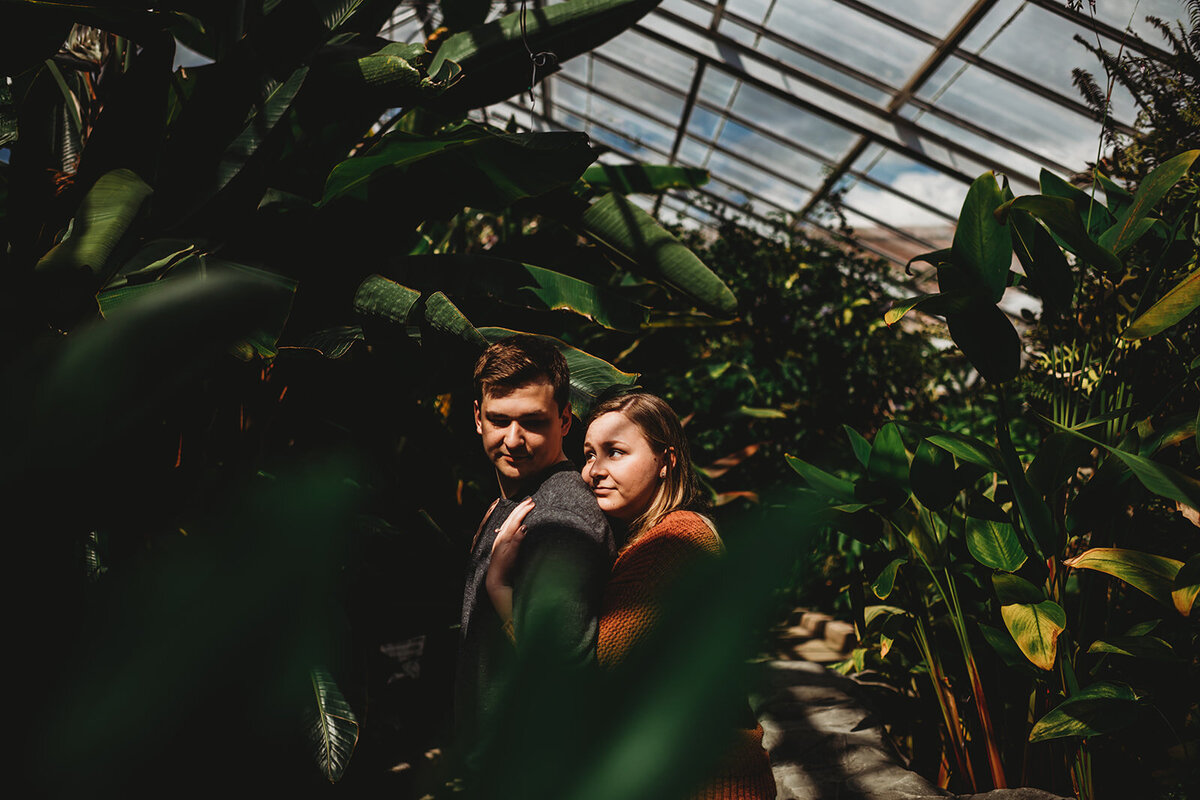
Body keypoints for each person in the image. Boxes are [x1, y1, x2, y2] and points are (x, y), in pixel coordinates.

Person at [486, 389, 777, 800]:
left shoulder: (671, 544)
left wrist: (500, 590)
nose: (593, 471)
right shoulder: (668, 534)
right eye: (588, 454)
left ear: (666, 461)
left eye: (615, 452)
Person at [455, 335, 615, 778]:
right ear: (477, 418)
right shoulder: (516, 501)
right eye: (498, 420)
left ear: (566, 420)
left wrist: (497, 587)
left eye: (533, 421)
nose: (514, 440)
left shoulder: (560, 515)